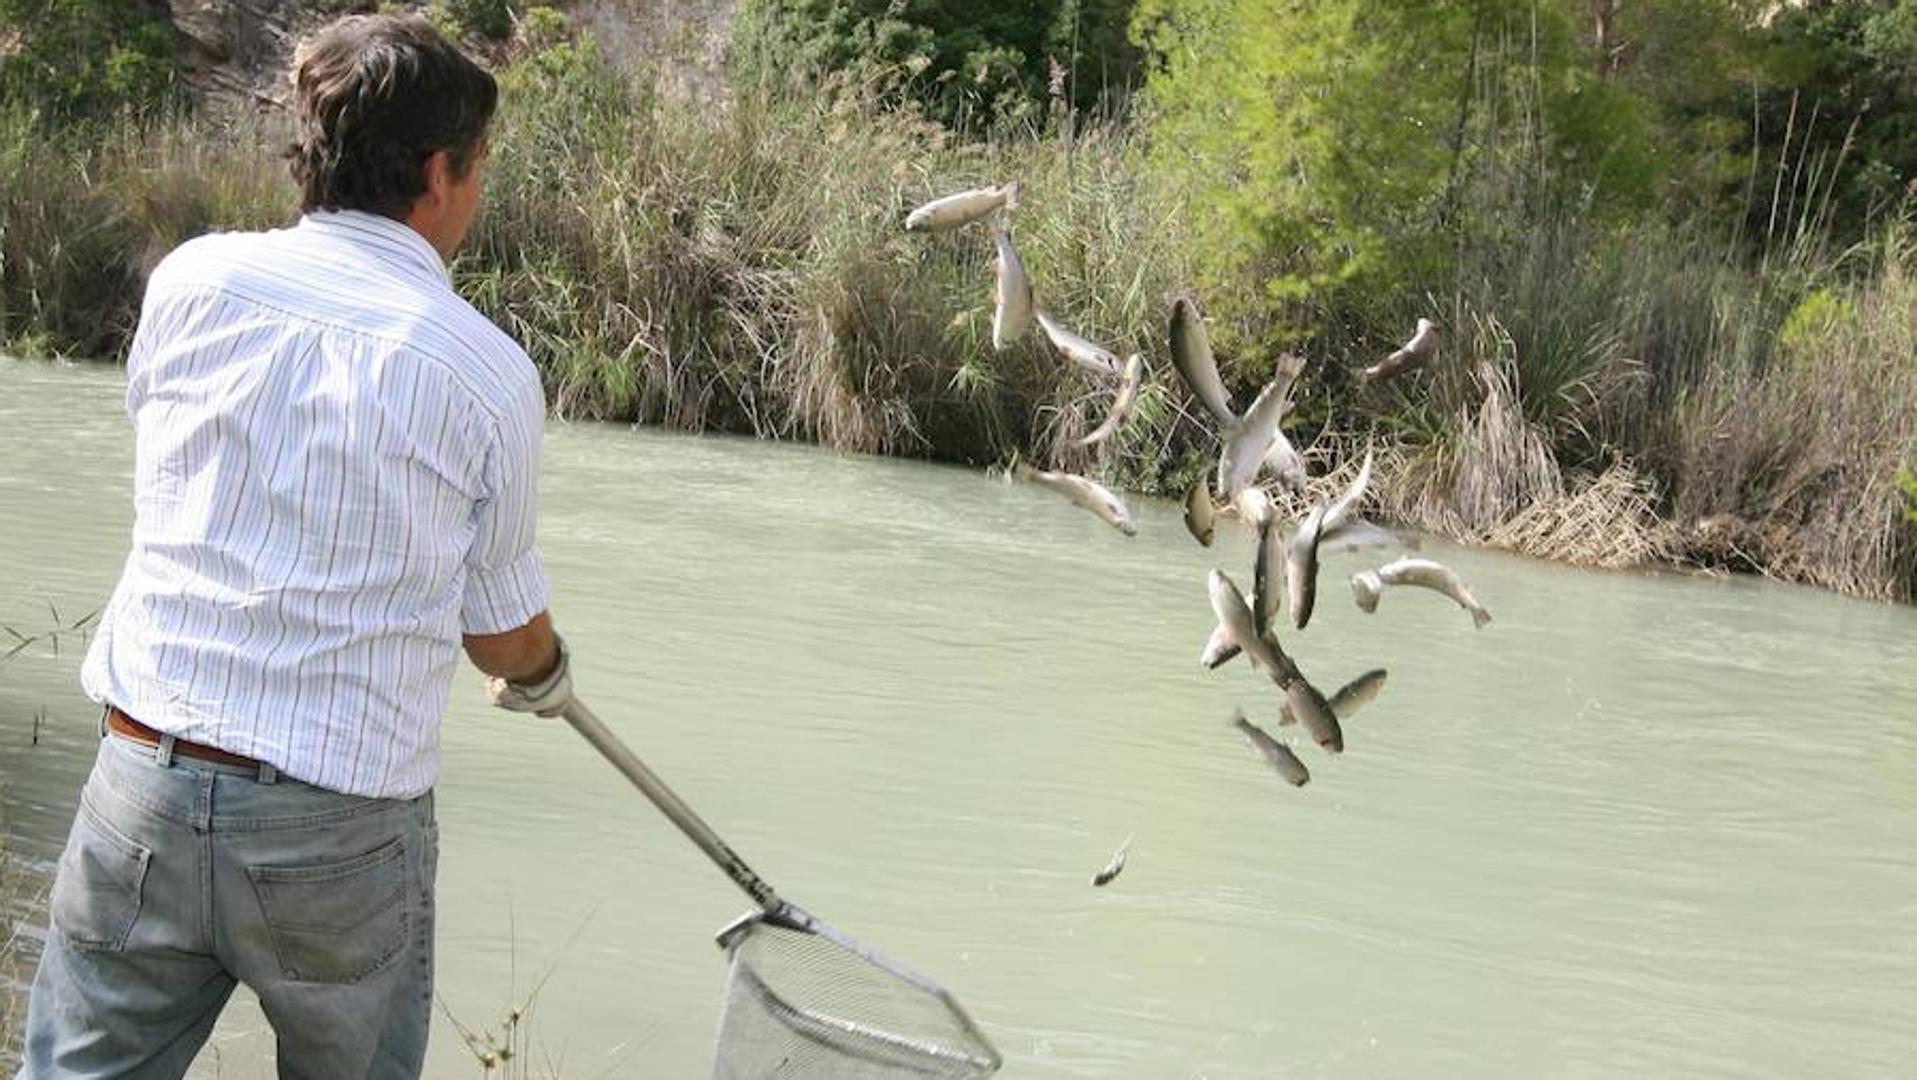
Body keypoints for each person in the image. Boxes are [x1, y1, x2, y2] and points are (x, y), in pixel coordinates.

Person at [16, 15, 573, 1078]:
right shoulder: (484, 372)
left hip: (144, 782)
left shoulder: (192, 281)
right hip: (341, 833)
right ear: (438, 173)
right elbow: (504, 641)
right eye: (478, 168)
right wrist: (545, 675)